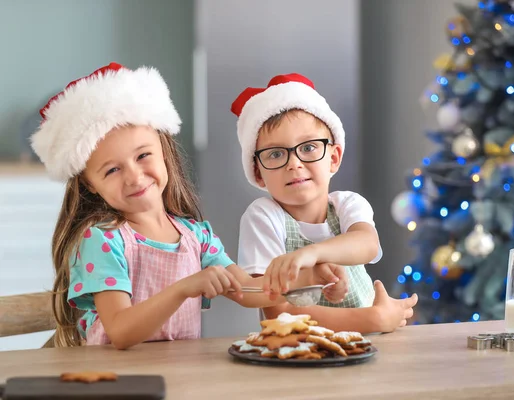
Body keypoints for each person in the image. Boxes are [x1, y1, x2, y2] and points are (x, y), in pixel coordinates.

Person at [30, 63, 347, 350]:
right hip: (116, 381)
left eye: (143, 156)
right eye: (112, 170)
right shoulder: (102, 241)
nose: (134, 176)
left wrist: (309, 276)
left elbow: (249, 290)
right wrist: (184, 288)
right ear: (89, 185)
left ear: (164, 151)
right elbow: (121, 332)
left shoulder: (196, 236)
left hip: (180, 375)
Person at [231, 73, 418, 333]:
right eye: (275, 154)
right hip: (297, 354)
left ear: (333, 158)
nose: (294, 163)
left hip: (365, 346)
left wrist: (311, 254)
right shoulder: (263, 216)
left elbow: (367, 244)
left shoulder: (347, 205)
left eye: (308, 148)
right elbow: (279, 314)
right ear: (259, 172)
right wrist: (372, 320)